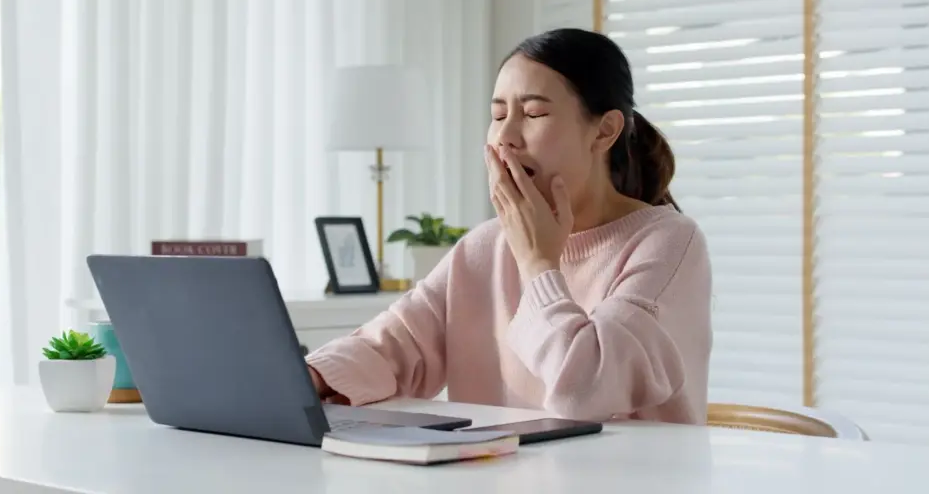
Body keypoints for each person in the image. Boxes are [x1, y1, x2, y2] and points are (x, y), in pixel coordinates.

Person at [305, 28, 712, 424]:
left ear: (604, 131)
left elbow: (585, 389)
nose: (506, 136)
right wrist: (313, 377)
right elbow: (395, 345)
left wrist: (538, 262)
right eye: (498, 115)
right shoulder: (485, 246)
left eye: (534, 113)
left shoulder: (668, 243)